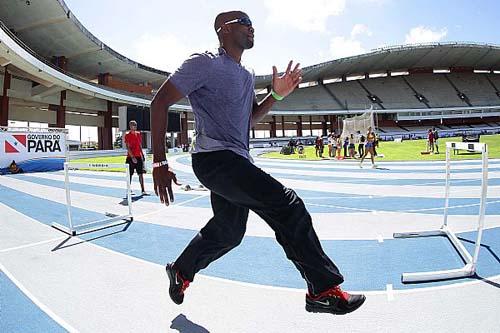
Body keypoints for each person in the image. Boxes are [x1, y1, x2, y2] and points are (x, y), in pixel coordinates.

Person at [150, 10, 365, 315]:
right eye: (244, 22)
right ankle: (322, 289)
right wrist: (159, 162)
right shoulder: (205, 62)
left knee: (229, 231)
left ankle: (181, 271)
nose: (252, 27)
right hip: (214, 159)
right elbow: (159, 102)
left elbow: (249, 118)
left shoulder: (247, 74)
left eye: (253, 23)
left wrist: (276, 95)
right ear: (223, 29)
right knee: (288, 206)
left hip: (235, 159)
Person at [124, 120, 147, 195]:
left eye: (135, 125)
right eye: (133, 125)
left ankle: (143, 190)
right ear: (130, 126)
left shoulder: (139, 134)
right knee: (129, 175)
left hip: (138, 157)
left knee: (141, 174)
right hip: (130, 158)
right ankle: (128, 190)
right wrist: (132, 157)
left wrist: (142, 155)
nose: (135, 126)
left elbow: (140, 145)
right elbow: (128, 147)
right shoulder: (127, 135)